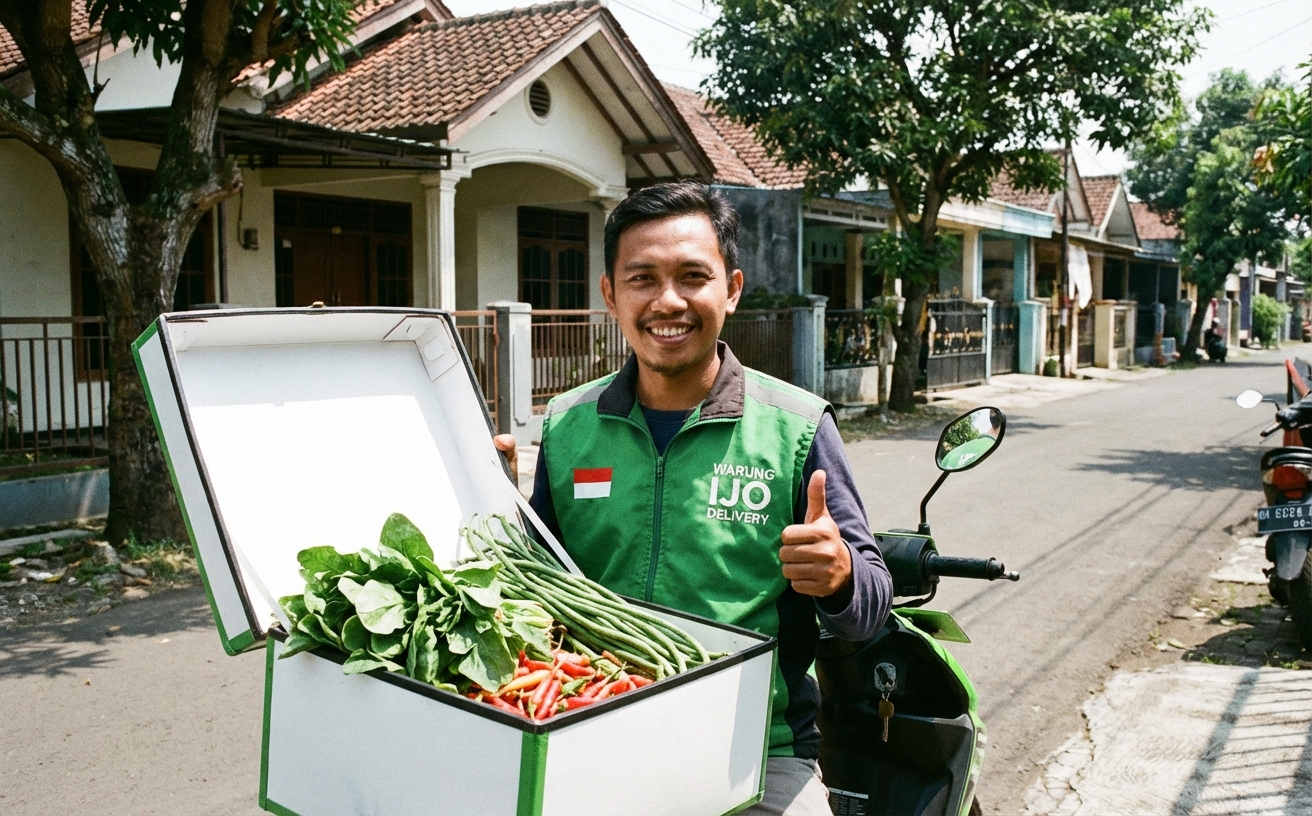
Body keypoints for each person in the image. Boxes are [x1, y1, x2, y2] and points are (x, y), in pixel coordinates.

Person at [494, 181, 892, 815]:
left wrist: (841, 577)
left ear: (730, 289)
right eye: (643, 278)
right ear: (610, 294)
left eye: (692, 276)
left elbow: (871, 605)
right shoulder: (567, 425)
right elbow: (534, 589)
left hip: (758, 757)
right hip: (591, 733)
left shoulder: (795, 426)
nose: (668, 301)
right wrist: (490, 508)